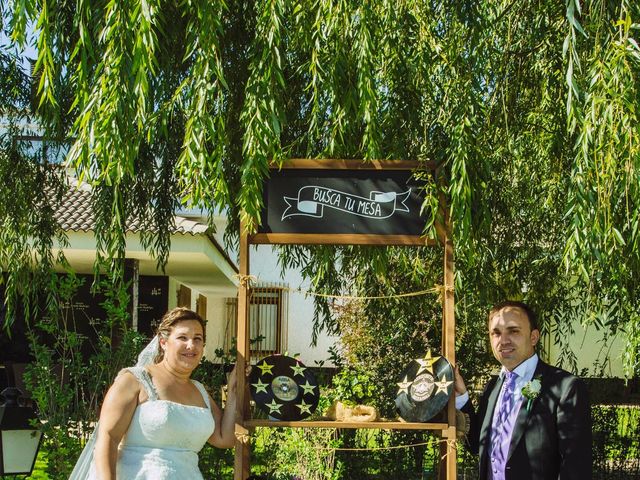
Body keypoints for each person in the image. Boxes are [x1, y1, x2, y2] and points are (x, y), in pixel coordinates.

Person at [74, 307, 237, 479]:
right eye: (183, 337)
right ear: (163, 343)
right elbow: (108, 438)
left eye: (198, 339)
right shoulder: (135, 380)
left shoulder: (200, 390)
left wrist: (234, 389)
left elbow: (224, 438)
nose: (191, 345)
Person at [454, 301, 592, 480]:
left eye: (513, 331)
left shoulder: (565, 388)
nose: (503, 340)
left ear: (533, 337)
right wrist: (462, 398)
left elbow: (576, 467)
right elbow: (476, 445)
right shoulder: (492, 387)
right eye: (496, 333)